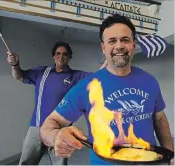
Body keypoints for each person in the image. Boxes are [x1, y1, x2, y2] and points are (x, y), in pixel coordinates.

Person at [40, 14, 174, 165]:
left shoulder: (150, 81)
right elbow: (49, 125)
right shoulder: (87, 87)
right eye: (112, 41)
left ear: (134, 45)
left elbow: (160, 118)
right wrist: (56, 136)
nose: (119, 46)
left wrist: (169, 155)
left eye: (125, 40)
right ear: (103, 48)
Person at [7, 41, 96, 165]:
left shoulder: (76, 76)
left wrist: (109, 62)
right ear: (53, 56)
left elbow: (98, 78)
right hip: (36, 128)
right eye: (58, 53)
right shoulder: (42, 73)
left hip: (60, 130)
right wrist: (15, 65)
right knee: (26, 163)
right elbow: (19, 76)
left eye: (65, 54)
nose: (61, 56)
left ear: (69, 57)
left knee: (59, 164)